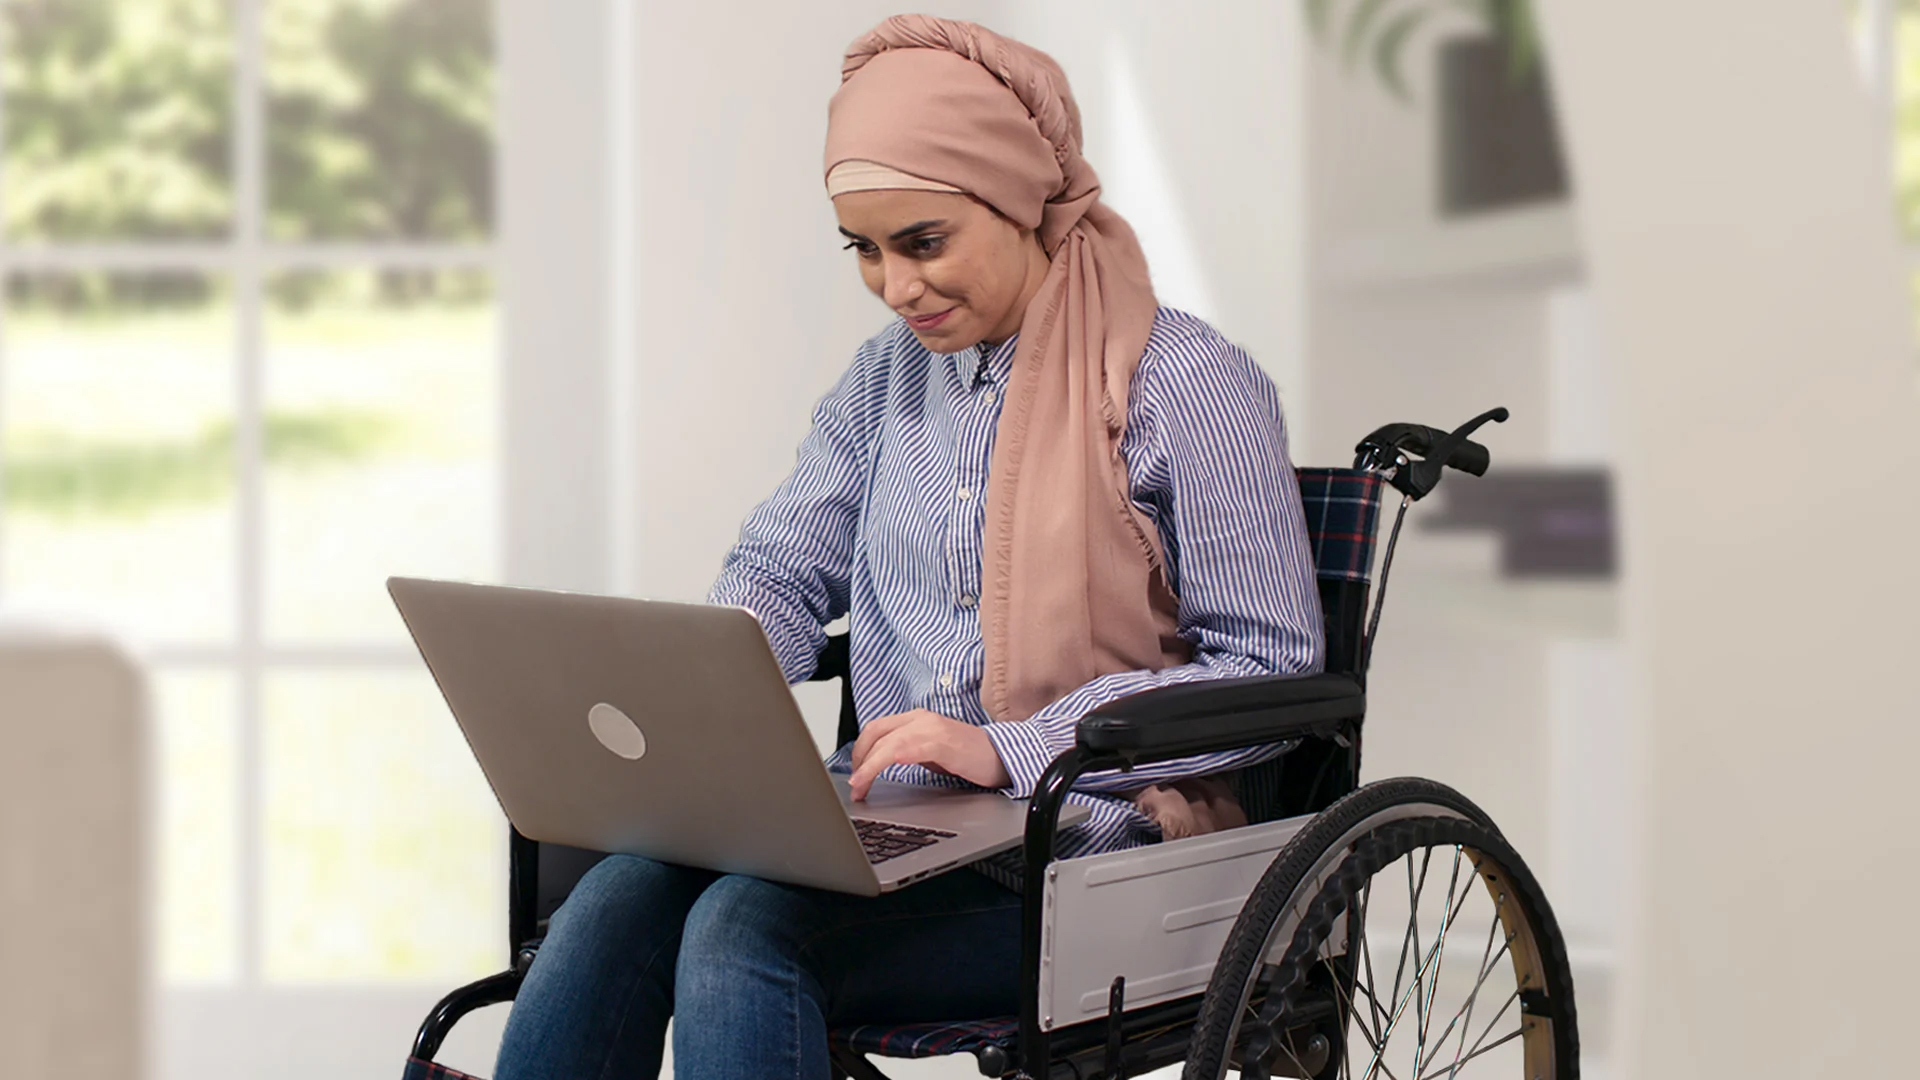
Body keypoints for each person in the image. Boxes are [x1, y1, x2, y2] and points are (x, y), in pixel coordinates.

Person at [492, 15, 1323, 1080]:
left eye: (923, 242)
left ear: (1021, 199)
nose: (895, 286)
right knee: (616, 891)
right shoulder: (881, 386)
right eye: (866, 250)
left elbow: (1268, 665)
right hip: (900, 824)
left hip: (1087, 859)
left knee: (744, 928)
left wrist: (1012, 748)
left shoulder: (1188, 385)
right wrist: (705, 689)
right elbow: (783, 566)